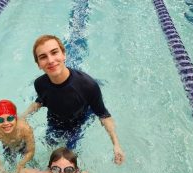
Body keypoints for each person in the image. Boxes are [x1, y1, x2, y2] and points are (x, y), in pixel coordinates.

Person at [21, 34, 125, 164]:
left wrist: (116, 144)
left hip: (78, 123)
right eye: (43, 57)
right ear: (38, 64)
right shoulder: (39, 84)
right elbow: (41, 101)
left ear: (64, 54)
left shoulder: (88, 86)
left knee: (69, 158)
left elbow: (104, 115)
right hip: (55, 121)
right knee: (49, 146)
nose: (50, 60)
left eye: (54, 52)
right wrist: (22, 117)